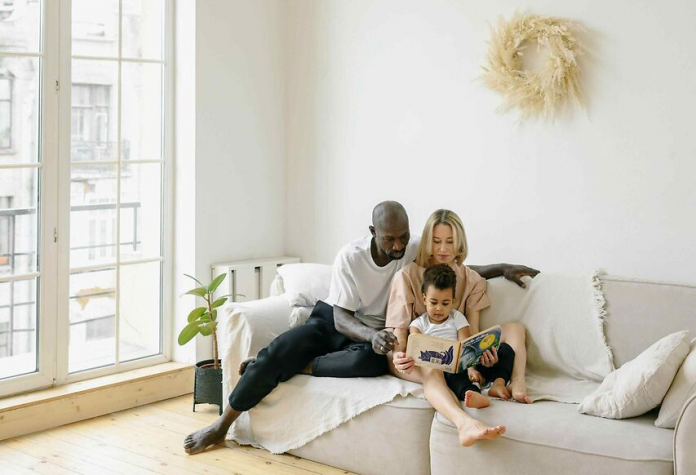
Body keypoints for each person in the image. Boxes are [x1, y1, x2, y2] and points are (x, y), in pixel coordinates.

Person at [184, 201, 537, 454]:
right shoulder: (351, 257)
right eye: (389, 239)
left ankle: (296, 367)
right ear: (374, 233)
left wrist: (503, 266)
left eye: (403, 237)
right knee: (283, 349)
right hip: (335, 321)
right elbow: (340, 318)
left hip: (375, 338)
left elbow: (453, 265)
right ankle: (223, 423)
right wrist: (373, 335)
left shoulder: (412, 249)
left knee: (367, 364)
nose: (398, 246)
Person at [387, 209, 537, 405]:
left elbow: (471, 332)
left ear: (459, 243)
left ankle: (516, 381)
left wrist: (479, 357)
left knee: (516, 329)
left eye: (450, 242)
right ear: (426, 242)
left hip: (455, 355)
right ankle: (464, 404)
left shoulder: (472, 279)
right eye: (436, 241)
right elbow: (399, 333)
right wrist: (400, 355)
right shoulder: (406, 276)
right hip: (416, 357)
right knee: (429, 367)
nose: (443, 249)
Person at [408, 264, 515, 410]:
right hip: (443, 370)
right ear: (424, 299)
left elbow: (466, 344)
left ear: (453, 301)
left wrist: (472, 369)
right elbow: (416, 350)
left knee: (505, 350)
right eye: (433, 302)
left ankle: (498, 383)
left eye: (445, 303)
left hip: (466, 364)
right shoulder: (418, 324)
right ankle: (472, 392)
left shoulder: (457, 318)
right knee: (453, 376)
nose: (439, 308)